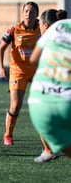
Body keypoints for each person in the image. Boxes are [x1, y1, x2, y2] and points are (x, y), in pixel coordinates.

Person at [0, 1, 40, 145]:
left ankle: (48, 138)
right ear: (23, 13)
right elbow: (1, 48)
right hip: (17, 70)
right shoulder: (14, 29)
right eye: (26, 11)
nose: (29, 14)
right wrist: (1, 68)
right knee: (16, 105)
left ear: (37, 14)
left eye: (32, 11)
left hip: (36, 71)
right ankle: (8, 135)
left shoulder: (42, 30)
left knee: (43, 104)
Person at [28, 14, 71, 160]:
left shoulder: (57, 27)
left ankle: (49, 150)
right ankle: (49, 150)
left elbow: (34, 59)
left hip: (40, 103)